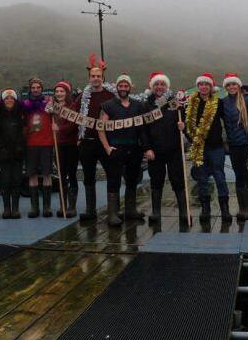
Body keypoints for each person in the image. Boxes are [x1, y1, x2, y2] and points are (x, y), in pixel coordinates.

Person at [99, 73, 149, 227]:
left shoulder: (137, 105)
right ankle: (113, 214)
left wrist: (144, 146)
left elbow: (141, 128)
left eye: (125, 86)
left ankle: (130, 210)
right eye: (120, 86)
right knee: (114, 180)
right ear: (116, 87)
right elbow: (101, 128)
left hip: (134, 148)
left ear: (130, 87)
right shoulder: (108, 105)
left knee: (132, 179)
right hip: (116, 148)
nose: (123, 88)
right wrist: (107, 147)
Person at [143, 72, 187, 224]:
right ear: (152, 86)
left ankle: (183, 211)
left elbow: (184, 121)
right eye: (156, 84)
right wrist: (147, 148)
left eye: (162, 84)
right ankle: (156, 212)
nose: (159, 87)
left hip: (174, 149)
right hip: (155, 151)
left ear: (167, 86)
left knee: (178, 180)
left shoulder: (174, 103)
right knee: (156, 181)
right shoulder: (146, 104)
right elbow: (143, 130)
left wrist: (183, 125)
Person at [185, 72, 230, 221]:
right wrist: (186, 133)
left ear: (211, 87)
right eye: (201, 84)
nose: (203, 87)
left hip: (216, 147)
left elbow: (229, 120)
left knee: (220, 177)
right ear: (198, 86)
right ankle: (205, 209)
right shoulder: (191, 103)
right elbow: (187, 125)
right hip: (199, 147)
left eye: (207, 84)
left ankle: (225, 209)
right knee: (202, 179)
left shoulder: (219, 103)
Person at [77, 54, 115, 221]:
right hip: (87, 142)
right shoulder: (83, 96)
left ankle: (113, 212)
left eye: (98, 76)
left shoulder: (110, 94)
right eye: (93, 76)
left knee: (112, 174)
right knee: (88, 176)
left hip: (106, 141)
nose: (96, 79)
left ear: (103, 77)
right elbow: (72, 112)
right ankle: (91, 210)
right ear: (89, 77)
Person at [222, 72, 248, 220]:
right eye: (228, 84)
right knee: (238, 176)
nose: (231, 87)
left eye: (234, 84)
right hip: (233, 146)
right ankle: (242, 209)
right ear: (225, 87)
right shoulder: (224, 102)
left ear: (238, 85)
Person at [23, 77, 54, 218]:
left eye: (38, 87)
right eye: (33, 88)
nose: (35, 90)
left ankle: (46, 207)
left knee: (47, 174)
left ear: (42, 88)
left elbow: (58, 115)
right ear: (30, 89)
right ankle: (34, 207)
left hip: (47, 143)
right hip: (31, 144)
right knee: (32, 174)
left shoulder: (49, 103)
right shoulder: (25, 105)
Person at [0, 89, 25, 219]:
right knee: (5, 181)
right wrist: (1, 148)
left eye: (12, 98)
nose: (9, 100)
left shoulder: (21, 114)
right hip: (4, 153)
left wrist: (19, 146)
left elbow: (24, 131)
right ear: (3, 100)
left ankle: (15, 208)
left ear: (15, 100)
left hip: (17, 153)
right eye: (7, 98)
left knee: (17, 180)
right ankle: (6, 208)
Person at [52, 80, 80, 217]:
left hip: (70, 145)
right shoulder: (52, 107)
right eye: (57, 91)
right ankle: (63, 204)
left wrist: (60, 128)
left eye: (62, 91)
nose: (59, 93)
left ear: (67, 93)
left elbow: (74, 124)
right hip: (58, 145)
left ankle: (72, 206)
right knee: (61, 175)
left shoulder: (73, 106)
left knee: (72, 174)